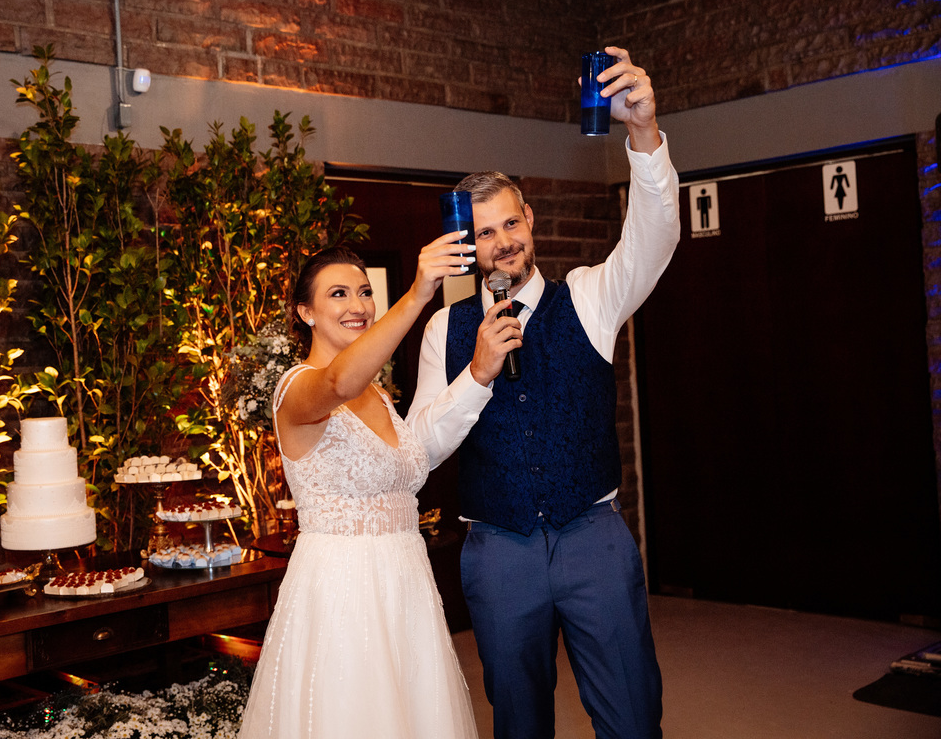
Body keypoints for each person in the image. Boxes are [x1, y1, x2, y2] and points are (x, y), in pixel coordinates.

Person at [405, 46, 680, 739]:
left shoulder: (588, 299)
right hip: (499, 550)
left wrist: (643, 135)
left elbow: (654, 238)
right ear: (467, 241)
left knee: (631, 714)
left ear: (529, 220)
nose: (501, 242)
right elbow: (420, 450)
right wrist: (476, 375)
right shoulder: (445, 329)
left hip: (593, 537)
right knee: (519, 723)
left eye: (510, 223)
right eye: (484, 231)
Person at [239, 242, 480, 739]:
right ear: (305, 312)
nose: (359, 306)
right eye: (339, 294)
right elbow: (340, 380)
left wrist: (478, 374)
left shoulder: (380, 395)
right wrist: (417, 294)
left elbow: (415, 456)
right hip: (342, 587)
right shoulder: (298, 388)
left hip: (406, 580)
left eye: (366, 292)